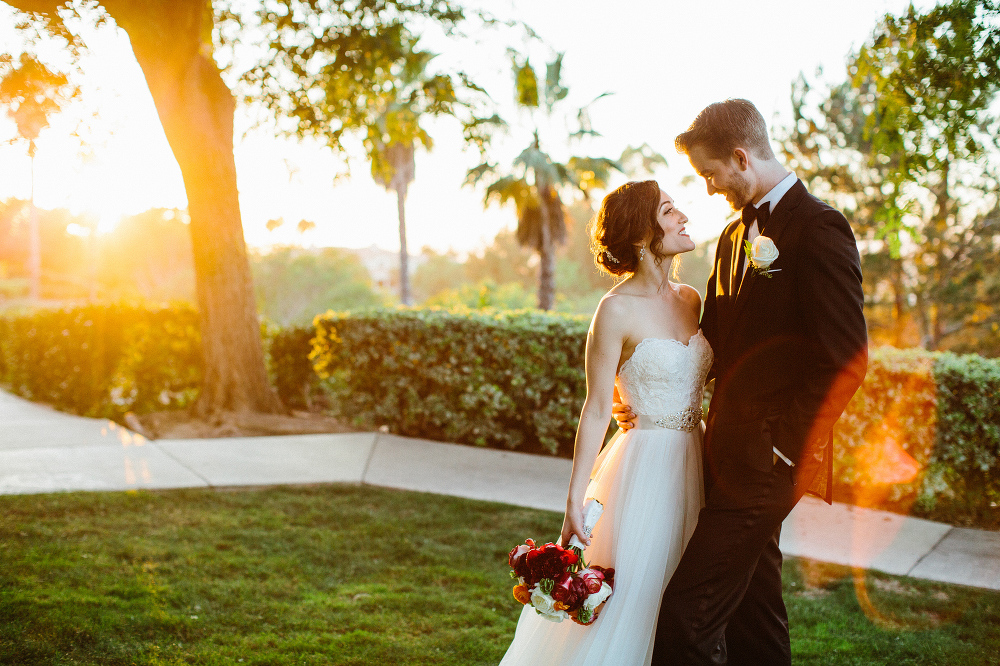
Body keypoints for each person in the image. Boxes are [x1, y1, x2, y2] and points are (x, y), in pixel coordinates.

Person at [614, 99, 868, 665]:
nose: (707, 190)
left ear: (739, 157)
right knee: (755, 614)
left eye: (710, 174)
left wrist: (782, 449)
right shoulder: (732, 238)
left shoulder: (819, 227)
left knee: (686, 615)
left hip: (766, 466)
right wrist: (641, 387)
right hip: (720, 456)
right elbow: (710, 344)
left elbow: (846, 357)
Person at [498, 180, 713, 665]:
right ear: (642, 235)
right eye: (668, 211)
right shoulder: (613, 310)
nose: (683, 217)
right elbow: (597, 406)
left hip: (699, 458)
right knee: (637, 592)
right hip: (644, 470)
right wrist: (574, 498)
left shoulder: (691, 299)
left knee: (689, 596)